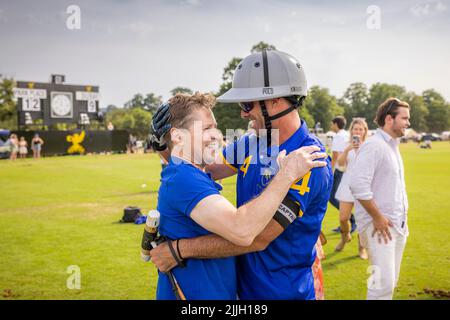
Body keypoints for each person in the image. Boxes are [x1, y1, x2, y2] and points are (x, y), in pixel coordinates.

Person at [150, 50, 333, 300]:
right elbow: (204, 168)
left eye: (247, 104)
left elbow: (255, 237)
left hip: (280, 292)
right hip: (241, 290)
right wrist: (165, 143)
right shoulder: (252, 141)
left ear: (276, 101)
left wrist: (179, 249)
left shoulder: (309, 161)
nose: (243, 114)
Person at [350, 97, 411, 300]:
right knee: (380, 288)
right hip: (379, 228)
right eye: (404, 118)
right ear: (389, 119)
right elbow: (358, 185)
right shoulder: (374, 145)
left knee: (389, 284)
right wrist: (377, 217)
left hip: (397, 226)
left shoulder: (393, 145)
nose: (408, 123)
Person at [334, 118, 368, 259]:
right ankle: (344, 237)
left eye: (361, 129)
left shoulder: (370, 145)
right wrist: (348, 150)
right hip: (347, 183)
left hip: (364, 186)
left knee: (362, 221)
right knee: (343, 218)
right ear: (351, 131)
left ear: (365, 131)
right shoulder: (347, 145)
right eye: (356, 129)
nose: (358, 131)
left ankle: (362, 248)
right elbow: (340, 164)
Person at [329, 116, 356, 233]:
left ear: (336, 124)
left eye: (332, 124)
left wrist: (329, 172)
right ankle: (348, 221)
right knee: (340, 198)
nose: (331, 126)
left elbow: (335, 156)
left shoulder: (338, 136)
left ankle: (351, 220)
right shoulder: (345, 135)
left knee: (333, 198)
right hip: (347, 170)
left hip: (339, 171)